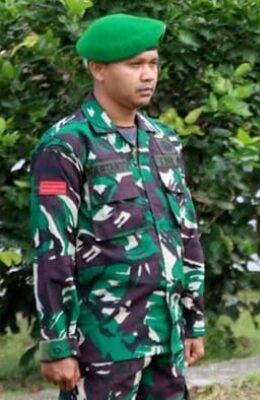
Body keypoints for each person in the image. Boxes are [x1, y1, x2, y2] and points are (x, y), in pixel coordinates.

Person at [29, 13, 205, 400]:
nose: (148, 75)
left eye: (153, 63)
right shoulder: (68, 144)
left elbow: (186, 233)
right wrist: (57, 344)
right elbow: (53, 249)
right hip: (103, 344)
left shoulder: (164, 141)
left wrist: (194, 319)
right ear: (98, 69)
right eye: (134, 64)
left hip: (166, 335)